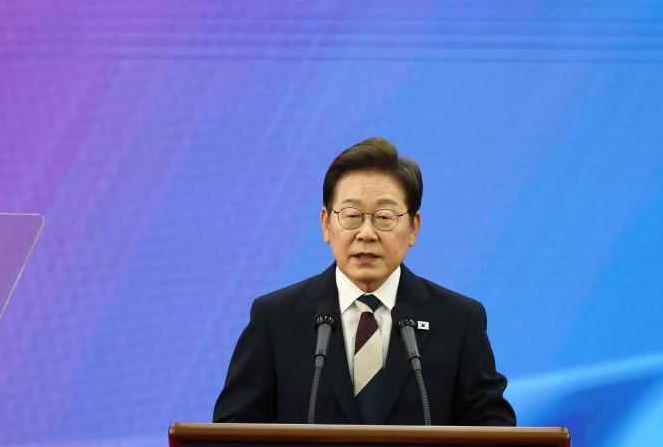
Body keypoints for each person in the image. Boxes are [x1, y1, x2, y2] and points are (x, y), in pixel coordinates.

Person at [213, 137, 515, 426]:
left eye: (384, 217)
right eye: (352, 215)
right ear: (326, 224)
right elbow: (234, 430)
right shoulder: (276, 319)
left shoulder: (458, 321)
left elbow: (494, 433)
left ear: (413, 228)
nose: (367, 233)